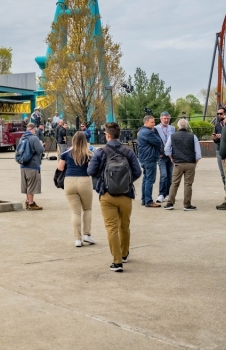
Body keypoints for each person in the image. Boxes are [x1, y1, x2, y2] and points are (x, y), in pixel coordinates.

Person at [87, 122, 142, 272]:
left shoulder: (100, 152)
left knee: (111, 228)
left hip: (107, 195)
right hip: (126, 195)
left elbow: (90, 171)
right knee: (124, 226)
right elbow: (138, 172)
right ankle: (124, 254)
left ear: (107, 135)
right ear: (119, 135)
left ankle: (117, 261)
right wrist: (126, 182)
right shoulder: (128, 151)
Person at [57, 131, 95, 247]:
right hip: (84, 181)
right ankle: (87, 234)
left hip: (69, 181)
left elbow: (60, 167)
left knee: (75, 212)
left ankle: (77, 239)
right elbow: (91, 169)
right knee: (87, 209)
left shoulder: (66, 152)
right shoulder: (89, 153)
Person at [163, 118, 200, 210]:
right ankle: (187, 204)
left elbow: (166, 149)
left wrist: (171, 158)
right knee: (188, 184)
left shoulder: (172, 136)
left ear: (178, 126)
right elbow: (198, 153)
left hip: (177, 163)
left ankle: (170, 203)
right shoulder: (193, 136)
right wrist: (195, 162)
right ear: (186, 126)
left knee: (174, 183)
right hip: (190, 163)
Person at [136, 115, 163, 207]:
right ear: (146, 122)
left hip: (144, 158)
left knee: (146, 179)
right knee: (150, 180)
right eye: (152, 122)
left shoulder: (141, 132)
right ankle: (148, 201)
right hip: (149, 158)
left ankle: (144, 199)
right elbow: (158, 142)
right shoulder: (148, 132)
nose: (154, 124)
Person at [19, 122, 44, 210]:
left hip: (23, 165)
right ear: (33, 129)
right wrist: (42, 145)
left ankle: (27, 200)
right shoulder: (34, 138)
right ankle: (31, 203)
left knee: (26, 184)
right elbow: (40, 150)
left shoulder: (22, 138)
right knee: (32, 185)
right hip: (32, 165)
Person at [154, 112, 175, 203]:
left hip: (170, 155)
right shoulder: (156, 129)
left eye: (167, 118)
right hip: (161, 155)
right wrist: (159, 152)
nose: (166, 120)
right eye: (164, 118)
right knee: (164, 175)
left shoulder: (172, 128)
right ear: (160, 119)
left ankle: (168, 193)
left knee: (170, 175)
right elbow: (155, 142)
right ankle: (161, 194)